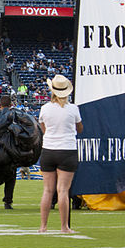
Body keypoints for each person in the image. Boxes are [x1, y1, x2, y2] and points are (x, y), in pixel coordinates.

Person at [37, 75, 82, 233]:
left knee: (47, 190)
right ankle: (64, 226)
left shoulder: (45, 108)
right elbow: (79, 128)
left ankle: (43, 226)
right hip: (67, 150)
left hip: (49, 149)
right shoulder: (73, 109)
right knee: (63, 190)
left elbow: (44, 129)